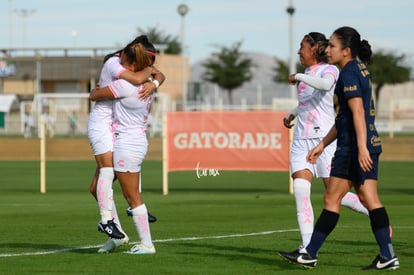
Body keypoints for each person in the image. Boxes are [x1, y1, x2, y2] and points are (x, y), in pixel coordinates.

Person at [278, 26, 399, 270]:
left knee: (333, 198)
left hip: (354, 147)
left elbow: (357, 112)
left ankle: (310, 253)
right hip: (361, 144)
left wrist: (361, 148)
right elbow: (344, 117)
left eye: (332, 45)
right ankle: (387, 256)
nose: (328, 49)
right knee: (367, 199)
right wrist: (323, 144)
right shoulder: (358, 69)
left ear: (345, 50)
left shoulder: (347, 74)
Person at [282, 32, 369, 254]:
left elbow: (324, 85)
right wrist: (293, 113)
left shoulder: (328, 69)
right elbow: (309, 103)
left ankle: (375, 213)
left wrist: (299, 77)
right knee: (301, 190)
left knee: (334, 192)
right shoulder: (307, 72)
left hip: (324, 140)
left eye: (302, 47)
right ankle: (307, 248)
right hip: (301, 140)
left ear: (314, 49)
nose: (299, 51)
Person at [87, 35, 164, 253]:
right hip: (134, 139)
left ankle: (143, 241)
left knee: (130, 194)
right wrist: (154, 78)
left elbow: (94, 95)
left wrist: (97, 89)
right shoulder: (147, 84)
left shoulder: (123, 85)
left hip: (126, 141)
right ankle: (120, 233)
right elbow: (155, 74)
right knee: (99, 187)